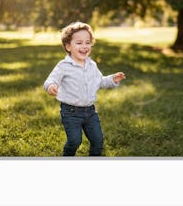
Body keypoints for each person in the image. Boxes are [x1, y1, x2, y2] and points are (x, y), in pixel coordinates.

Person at [43, 22, 126, 156]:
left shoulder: (92, 65)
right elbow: (51, 79)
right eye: (79, 43)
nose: (84, 46)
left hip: (90, 112)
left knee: (98, 141)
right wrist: (51, 86)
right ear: (68, 46)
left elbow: (100, 81)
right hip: (70, 112)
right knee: (75, 141)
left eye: (88, 42)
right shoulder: (64, 66)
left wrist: (112, 79)